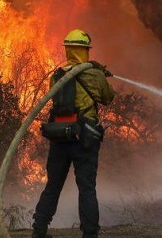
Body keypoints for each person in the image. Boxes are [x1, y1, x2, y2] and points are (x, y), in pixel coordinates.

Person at [32, 29, 115, 238]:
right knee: (87, 188)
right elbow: (108, 97)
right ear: (85, 51)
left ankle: (39, 230)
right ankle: (89, 234)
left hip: (59, 136)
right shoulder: (93, 74)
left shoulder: (57, 76)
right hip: (84, 138)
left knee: (52, 185)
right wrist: (99, 75)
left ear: (68, 49)